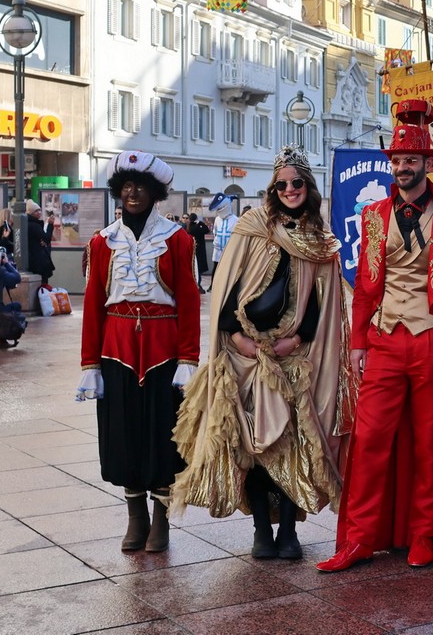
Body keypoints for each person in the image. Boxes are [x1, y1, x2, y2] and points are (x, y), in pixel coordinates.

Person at [316, 98, 433, 573]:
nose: (403, 167)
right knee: (369, 440)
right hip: (385, 339)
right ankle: (358, 539)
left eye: (411, 160)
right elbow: (367, 287)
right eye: (397, 160)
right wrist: (358, 343)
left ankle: (425, 535)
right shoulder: (373, 216)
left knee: (430, 443)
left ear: (428, 163)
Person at [172, 145, 355, 562]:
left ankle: (288, 530)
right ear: (272, 189)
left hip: (294, 358)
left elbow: (322, 307)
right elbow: (227, 289)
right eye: (281, 184)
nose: (290, 190)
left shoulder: (320, 241)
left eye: (297, 182)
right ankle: (260, 529)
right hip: (245, 354)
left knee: (292, 445)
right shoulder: (252, 226)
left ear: (308, 187)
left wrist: (295, 341)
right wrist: (240, 340)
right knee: (251, 448)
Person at [77, 150, 200, 553]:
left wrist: (188, 359)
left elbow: (189, 303)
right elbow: (93, 305)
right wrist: (90, 363)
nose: (132, 193)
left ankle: (161, 518)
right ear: (118, 190)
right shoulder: (102, 242)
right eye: (126, 186)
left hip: (165, 351)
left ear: (154, 192)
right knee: (123, 433)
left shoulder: (177, 240)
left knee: (164, 435)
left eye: (140, 187)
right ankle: (136, 516)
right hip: (116, 350)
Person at [208, 192, 238, 288]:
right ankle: (213, 285)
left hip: (229, 249)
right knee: (216, 267)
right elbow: (215, 231)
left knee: (228, 268)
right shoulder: (217, 219)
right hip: (217, 249)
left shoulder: (236, 220)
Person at [26, 200, 55, 285]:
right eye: (36, 211)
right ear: (31, 213)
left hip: (32, 259)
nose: (39, 212)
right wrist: (50, 225)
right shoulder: (34, 225)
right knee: (43, 283)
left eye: (39, 210)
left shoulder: (28, 223)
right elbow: (46, 238)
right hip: (38, 261)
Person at [186, 213, 210, 293]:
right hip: (197, 250)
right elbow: (206, 229)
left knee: (197, 268)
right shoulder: (195, 227)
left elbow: (206, 230)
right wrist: (200, 223)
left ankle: (197, 284)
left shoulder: (190, 226)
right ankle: (197, 284)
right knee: (197, 268)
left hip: (195, 250)